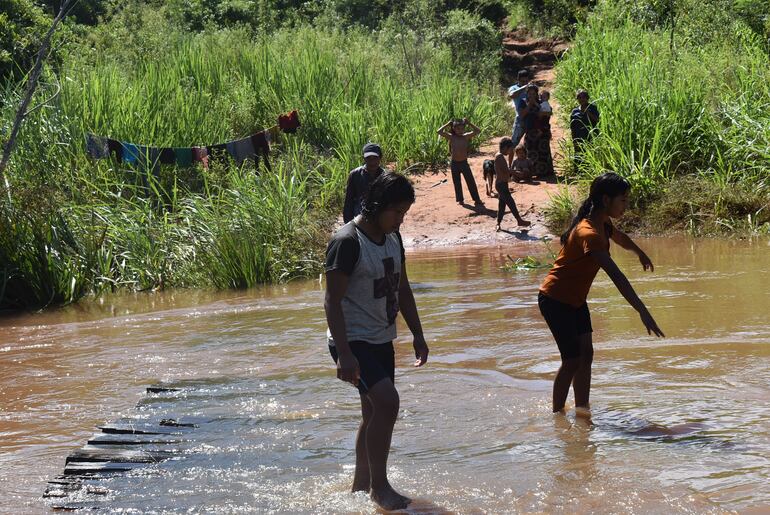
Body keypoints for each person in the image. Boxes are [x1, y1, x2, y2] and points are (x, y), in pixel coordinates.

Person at [324, 172, 429, 511]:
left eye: (405, 213)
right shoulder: (347, 241)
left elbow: (402, 287)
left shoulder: (393, 238)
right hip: (353, 341)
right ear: (378, 206)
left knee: (372, 413)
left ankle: (361, 485)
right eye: (397, 212)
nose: (401, 219)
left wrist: (418, 333)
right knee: (388, 403)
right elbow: (331, 301)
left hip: (382, 337)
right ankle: (380, 489)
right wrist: (344, 354)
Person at [538, 172, 664, 415]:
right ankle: (558, 417)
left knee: (587, 355)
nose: (626, 206)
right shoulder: (589, 233)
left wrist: (639, 252)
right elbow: (617, 276)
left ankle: (582, 411)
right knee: (572, 359)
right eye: (623, 200)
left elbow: (620, 237)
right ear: (606, 200)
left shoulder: (603, 223)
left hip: (575, 300)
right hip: (555, 299)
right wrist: (642, 311)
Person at [437, 118, 483, 206]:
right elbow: (439, 131)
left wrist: (469, 123)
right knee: (457, 182)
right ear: (454, 129)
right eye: (458, 129)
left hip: (464, 163)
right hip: (454, 163)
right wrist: (447, 124)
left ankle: (477, 199)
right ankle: (460, 200)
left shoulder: (466, 136)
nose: (460, 131)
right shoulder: (451, 137)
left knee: (470, 181)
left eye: (462, 128)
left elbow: (478, 130)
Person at [493, 137, 531, 232]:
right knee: (511, 202)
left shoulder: (499, 156)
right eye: (510, 150)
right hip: (501, 185)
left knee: (502, 205)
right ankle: (519, 220)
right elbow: (506, 170)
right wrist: (517, 173)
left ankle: (498, 223)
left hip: (502, 184)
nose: (510, 152)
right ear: (506, 147)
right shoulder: (500, 157)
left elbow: (505, 171)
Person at [343, 142, 386, 223]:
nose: (372, 162)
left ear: (380, 158)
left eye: (375, 158)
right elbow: (349, 201)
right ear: (364, 159)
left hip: (380, 217)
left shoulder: (385, 176)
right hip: (360, 216)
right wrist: (348, 224)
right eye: (369, 158)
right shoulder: (355, 174)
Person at [521, 84, 555, 177]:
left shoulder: (541, 102)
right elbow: (522, 115)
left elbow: (549, 112)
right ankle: (532, 172)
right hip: (530, 132)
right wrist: (529, 105)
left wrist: (541, 112)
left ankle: (545, 171)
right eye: (529, 93)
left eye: (533, 93)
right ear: (526, 94)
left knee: (543, 151)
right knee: (531, 151)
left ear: (537, 94)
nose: (531, 95)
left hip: (542, 132)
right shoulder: (523, 102)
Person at [570, 90, 600, 165]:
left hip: (590, 137)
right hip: (578, 137)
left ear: (587, 98)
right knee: (579, 155)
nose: (581, 99)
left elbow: (597, 120)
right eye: (579, 97)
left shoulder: (593, 108)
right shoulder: (575, 111)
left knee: (590, 155)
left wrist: (588, 113)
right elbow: (572, 127)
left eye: (584, 97)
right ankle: (578, 172)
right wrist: (574, 139)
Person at [508, 68, 531, 147]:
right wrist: (524, 88)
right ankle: (509, 159)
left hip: (531, 118)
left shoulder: (530, 88)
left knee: (531, 142)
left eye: (526, 81)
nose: (525, 83)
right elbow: (512, 95)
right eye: (522, 81)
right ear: (518, 79)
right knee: (513, 143)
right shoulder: (514, 88)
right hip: (520, 119)